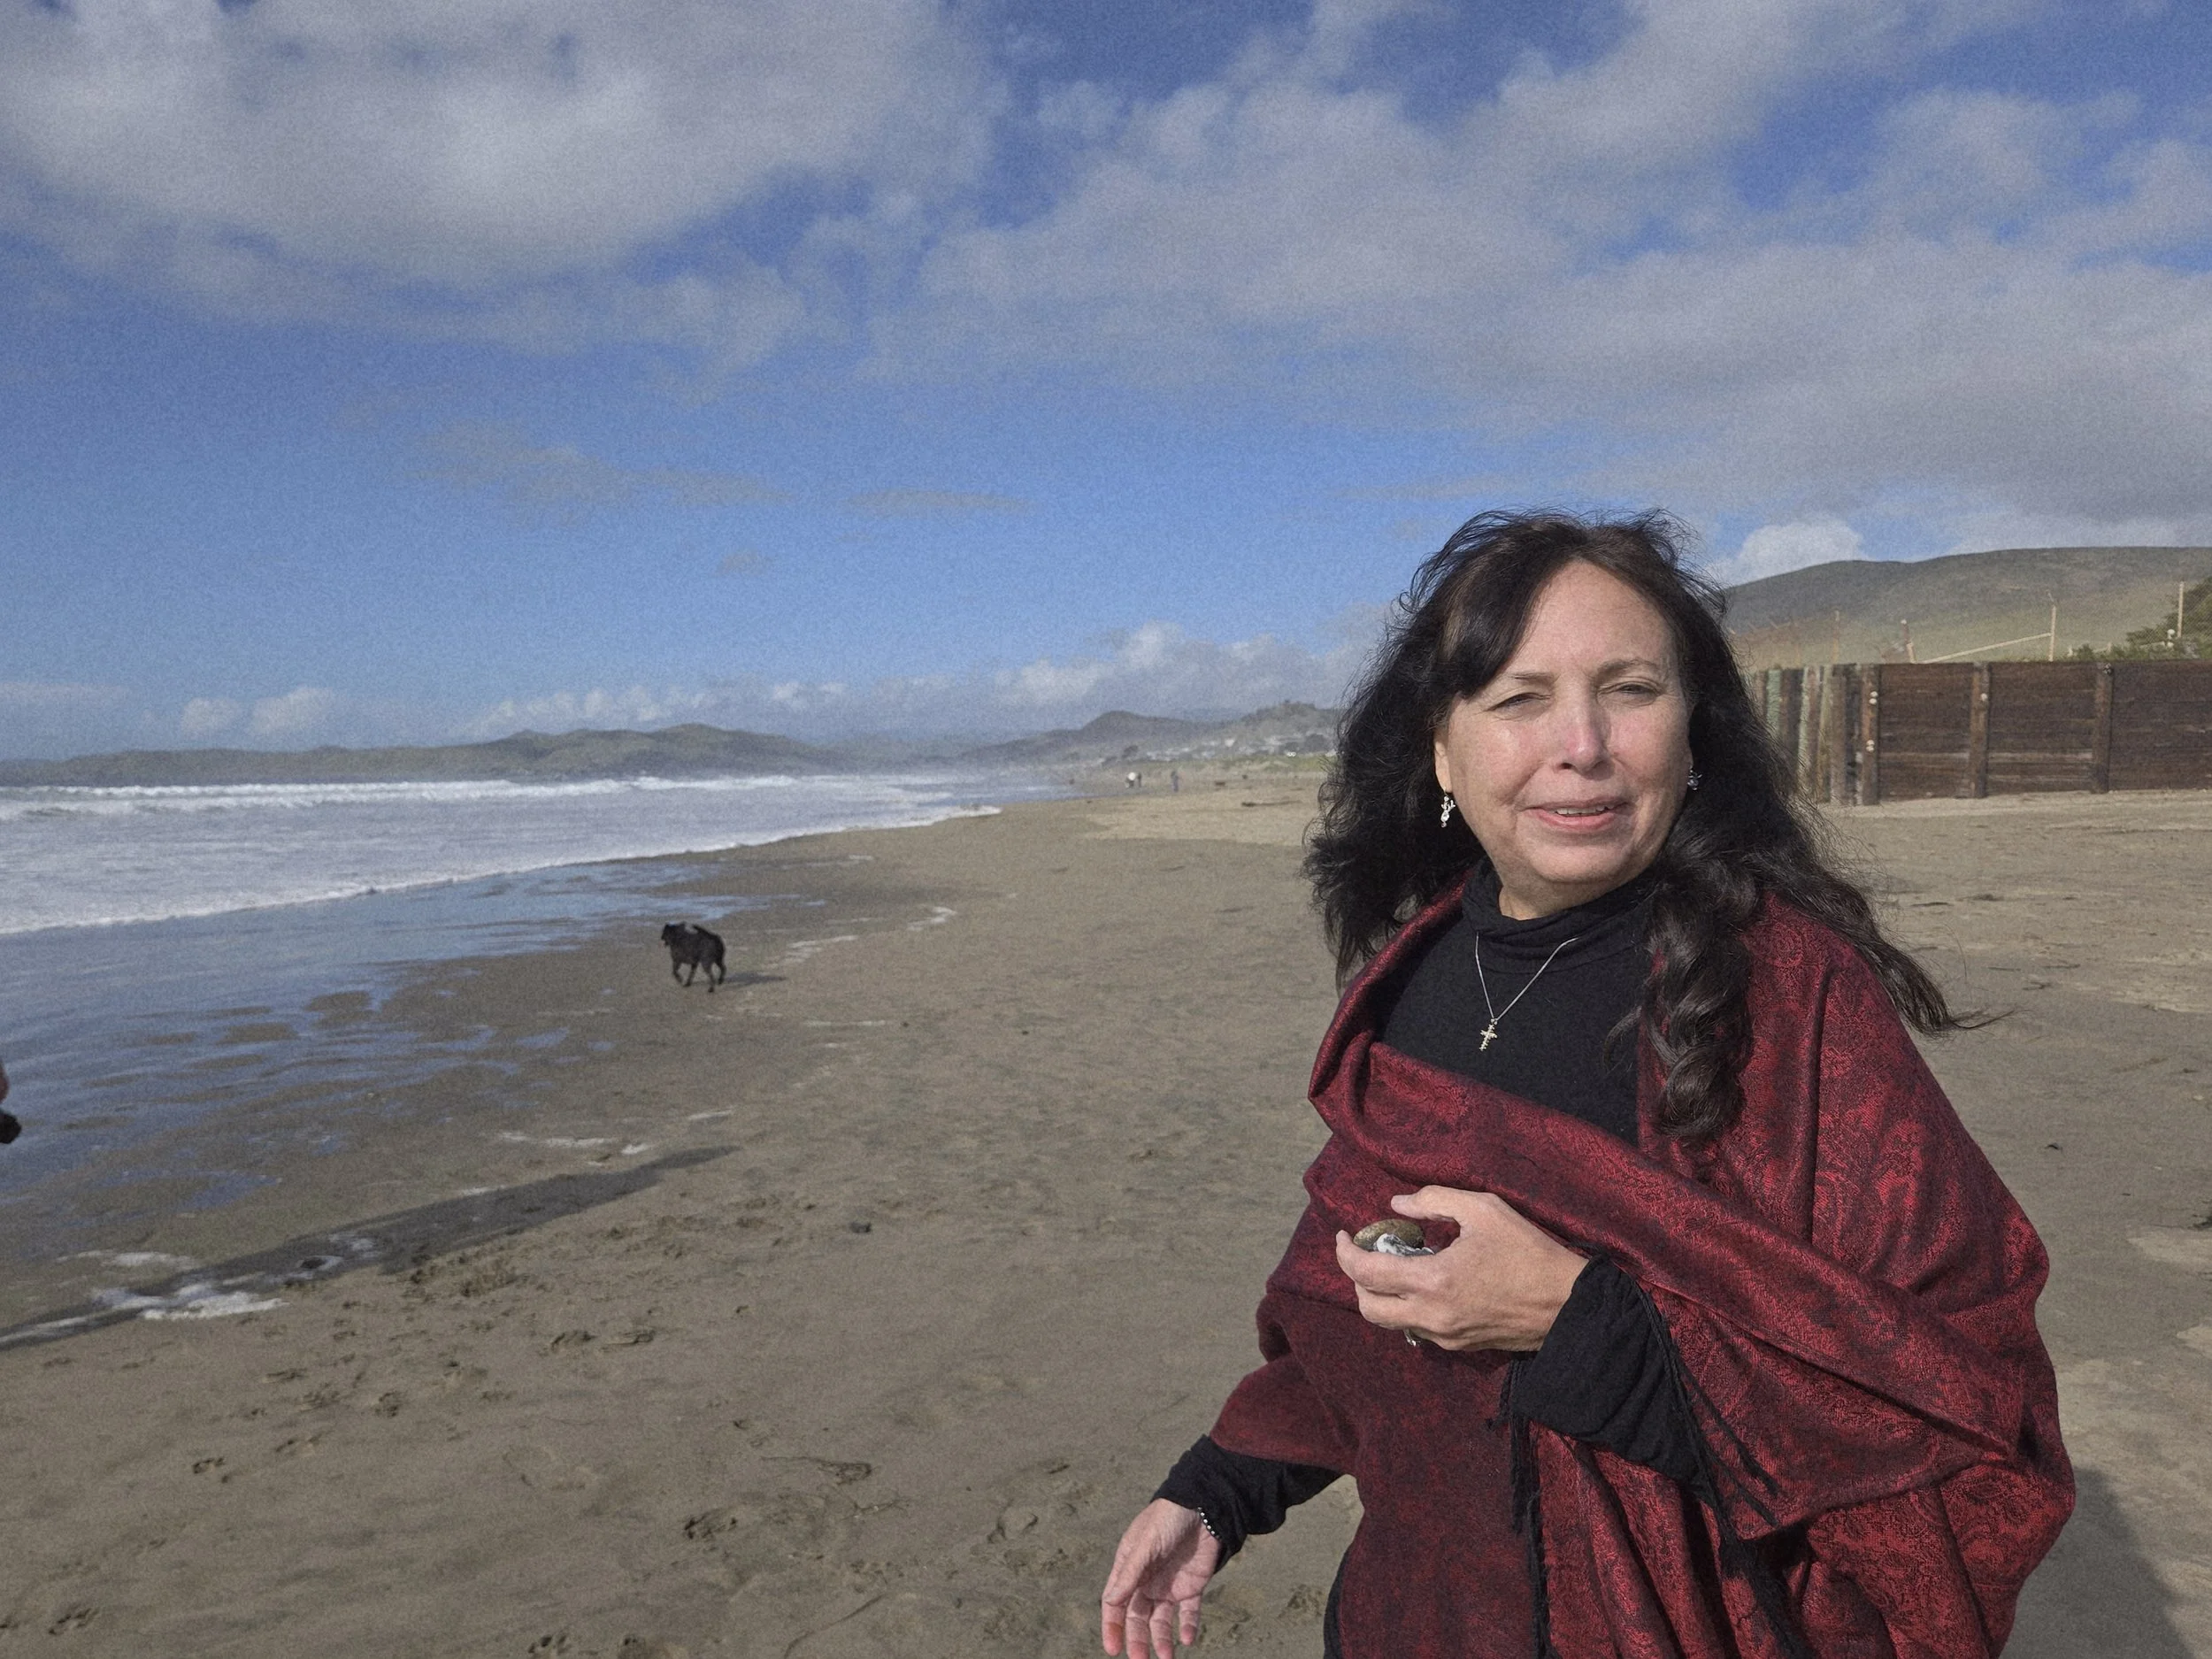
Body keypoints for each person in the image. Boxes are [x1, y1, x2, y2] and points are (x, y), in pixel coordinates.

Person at [1099, 511, 2070, 1659]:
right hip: (1417, 1613)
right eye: (1519, 699)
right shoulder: (1408, 980)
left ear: (1694, 730)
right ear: (1443, 750)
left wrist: (1578, 1323)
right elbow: (1351, 1296)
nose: (1583, 743)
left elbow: (1963, 1403)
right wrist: (1219, 1490)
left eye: (1630, 689)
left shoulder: (1788, 994)